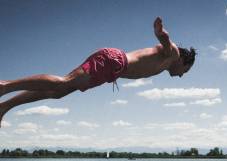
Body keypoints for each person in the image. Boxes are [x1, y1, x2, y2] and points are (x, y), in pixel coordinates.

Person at [0, 17, 196, 127]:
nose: (180, 75)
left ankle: (5, 106)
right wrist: (161, 34)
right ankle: (6, 85)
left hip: (111, 70)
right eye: (184, 71)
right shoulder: (173, 54)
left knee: (58, 92)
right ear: (183, 61)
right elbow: (167, 43)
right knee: (62, 82)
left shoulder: (165, 64)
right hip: (112, 61)